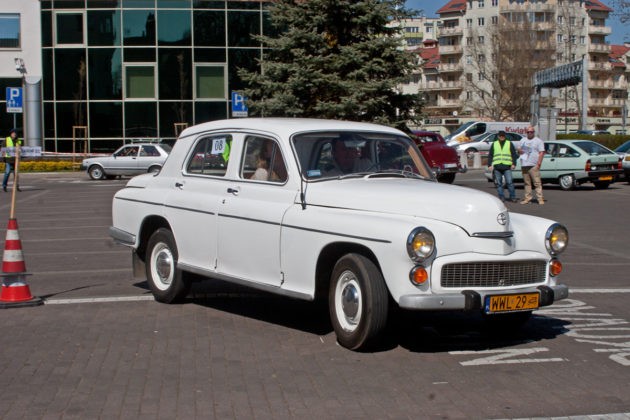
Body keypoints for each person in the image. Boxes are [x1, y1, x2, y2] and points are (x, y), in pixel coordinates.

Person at [487, 130, 519, 202]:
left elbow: (513, 154)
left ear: (505, 136)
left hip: (507, 166)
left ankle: (512, 196)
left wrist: (514, 164)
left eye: (503, 136)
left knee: (509, 182)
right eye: (500, 136)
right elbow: (490, 155)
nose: (502, 137)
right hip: (497, 166)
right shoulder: (494, 144)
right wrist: (489, 165)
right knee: (498, 183)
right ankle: (502, 197)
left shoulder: (509, 143)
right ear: (498, 136)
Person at [517, 126, 545, 205]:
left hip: (533, 164)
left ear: (534, 132)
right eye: (528, 132)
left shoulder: (538, 141)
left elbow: (541, 152)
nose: (530, 133)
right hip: (524, 164)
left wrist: (539, 163)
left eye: (531, 132)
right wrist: (519, 150)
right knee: (527, 183)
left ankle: (540, 198)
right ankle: (527, 197)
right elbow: (518, 150)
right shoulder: (523, 140)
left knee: (537, 182)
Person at [3, 128, 22, 192]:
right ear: (11, 134)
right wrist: (3, 159)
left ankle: (16, 186)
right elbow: (3, 149)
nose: (14, 134)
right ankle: (4, 186)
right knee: (7, 172)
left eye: (15, 133)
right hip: (8, 159)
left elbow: (21, 150)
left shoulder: (18, 141)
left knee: (16, 174)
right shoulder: (7, 139)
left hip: (15, 159)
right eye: (13, 133)